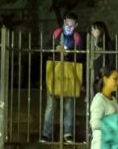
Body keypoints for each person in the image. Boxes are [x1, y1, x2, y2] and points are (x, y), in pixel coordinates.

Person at [42, 13, 83, 142]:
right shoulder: (56, 33)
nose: (69, 27)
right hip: (55, 70)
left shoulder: (77, 37)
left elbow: (82, 56)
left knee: (68, 105)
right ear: (64, 21)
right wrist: (55, 48)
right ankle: (46, 133)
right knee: (51, 104)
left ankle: (67, 133)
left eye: (72, 25)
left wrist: (71, 54)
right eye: (67, 24)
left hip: (70, 72)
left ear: (76, 25)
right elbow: (44, 48)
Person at [89, 67, 118, 149]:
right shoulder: (98, 99)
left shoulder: (114, 99)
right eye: (115, 79)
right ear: (105, 79)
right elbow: (95, 123)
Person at [90, 21, 113, 91]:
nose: (92, 32)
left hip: (103, 73)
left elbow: (111, 60)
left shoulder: (108, 44)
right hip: (92, 73)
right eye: (92, 29)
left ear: (101, 30)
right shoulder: (91, 43)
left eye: (95, 29)